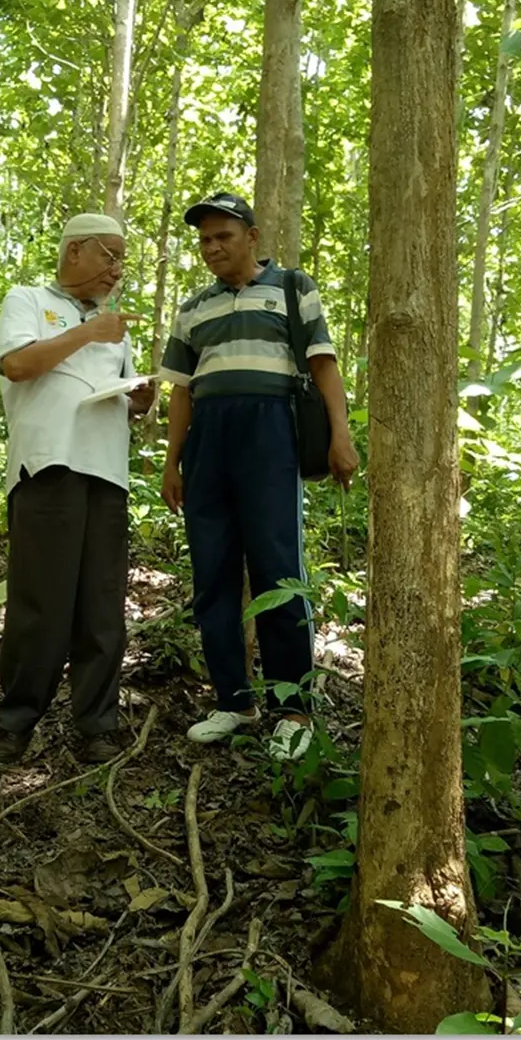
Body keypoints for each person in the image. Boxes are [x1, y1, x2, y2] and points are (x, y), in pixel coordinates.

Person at [159, 192, 358, 761]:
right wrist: (173, 461)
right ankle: (234, 700)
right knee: (212, 568)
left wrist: (340, 435)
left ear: (252, 235)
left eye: (223, 236)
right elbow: (181, 389)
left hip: (271, 431)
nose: (213, 248)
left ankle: (292, 708)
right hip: (209, 440)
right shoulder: (195, 306)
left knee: (276, 566)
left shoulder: (293, 289)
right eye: (204, 240)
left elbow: (322, 363)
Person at [0, 212, 154, 765]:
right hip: (48, 464)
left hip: (106, 469)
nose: (116, 269)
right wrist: (87, 331)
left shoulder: (113, 324)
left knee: (101, 604)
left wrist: (142, 398)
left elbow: (123, 398)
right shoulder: (29, 299)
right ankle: (16, 722)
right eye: (108, 254)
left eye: (121, 258)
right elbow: (16, 364)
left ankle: (96, 726)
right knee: (40, 599)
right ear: (74, 251)